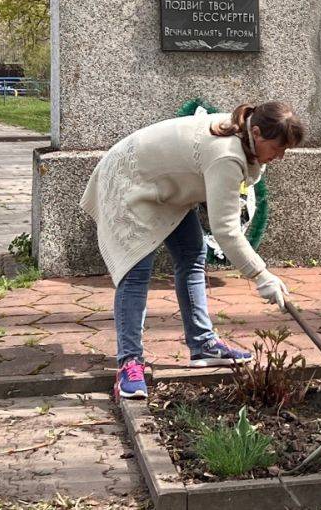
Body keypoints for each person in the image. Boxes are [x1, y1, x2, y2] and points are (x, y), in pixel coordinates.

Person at [81, 101, 299, 400]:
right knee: (136, 270)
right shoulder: (227, 154)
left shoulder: (242, 132)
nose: (280, 156)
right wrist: (261, 274)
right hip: (128, 181)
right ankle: (129, 363)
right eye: (277, 147)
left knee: (192, 254)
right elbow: (226, 231)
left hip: (163, 187)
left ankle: (202, 344)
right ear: (258, 133)